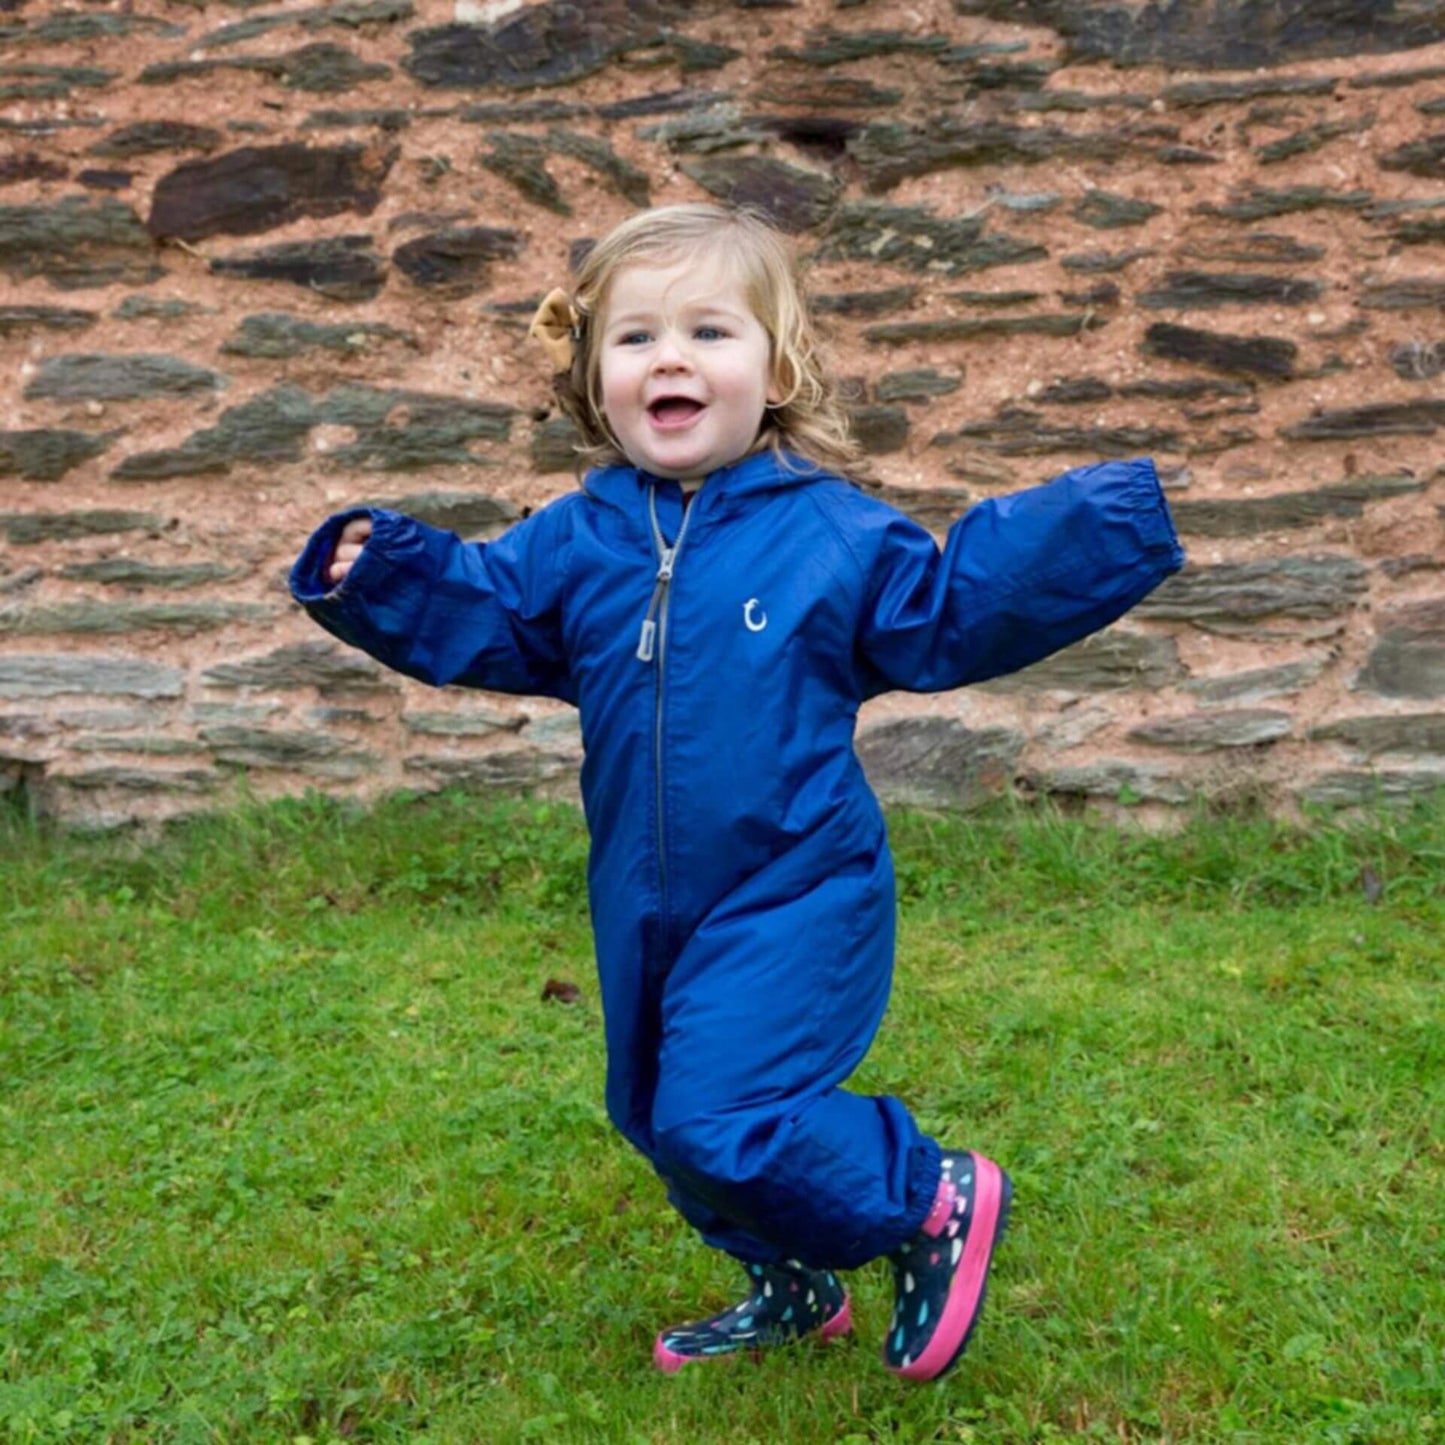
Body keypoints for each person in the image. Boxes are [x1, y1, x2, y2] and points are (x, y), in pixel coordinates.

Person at [290, 202, 1184, 1381]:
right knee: (660, 1116)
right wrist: (384, 574)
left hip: (793, 880)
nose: (669, 357)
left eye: (709, 330)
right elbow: (489, 611)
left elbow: (950, 605)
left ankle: (926, 1195)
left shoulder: (830, 533)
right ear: (593, 376)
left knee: (724, 1115)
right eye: (634, 337)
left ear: (775, 368)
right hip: (645, 886)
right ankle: (793, 1283)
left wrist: (1100, 523)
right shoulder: (578, 537)